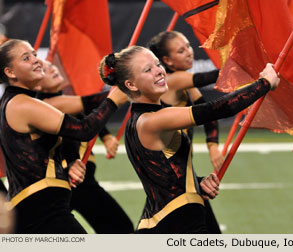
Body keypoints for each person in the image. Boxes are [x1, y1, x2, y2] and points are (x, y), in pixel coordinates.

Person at [98, 46, 280, 233]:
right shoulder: (151, 121)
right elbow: (219, 108)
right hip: (177, 224)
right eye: (148, 69)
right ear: (131, 85)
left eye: (157, 64)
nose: (159, 71)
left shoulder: (142, 119)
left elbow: (163, 176)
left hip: (173, 221)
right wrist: (264, 83)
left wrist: (196, 183)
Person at [0, 39, 127, 233]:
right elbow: (83, 129)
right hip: (40, 210)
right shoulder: (21, 104)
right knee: (121, 228)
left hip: (43, 206)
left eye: (34, 54)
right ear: (10, 72)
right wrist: (113, 100)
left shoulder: (20, 101)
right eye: (26, 58)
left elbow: (57, 140)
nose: (37, 60)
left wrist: (71, 159)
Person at [35, 60, 134, 233]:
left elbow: (87, 114)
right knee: (120, 228)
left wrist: (107, 136)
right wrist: (129, 85)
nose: (51, 69)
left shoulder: (63, 100)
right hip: (73, 182)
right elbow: (92, 106)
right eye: (43, 69)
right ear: (36, 83)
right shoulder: (49, 105)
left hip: (75, 180)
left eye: (51, 65)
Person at [147, 30, 222, 233]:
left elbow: (209, 114)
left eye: (189, 46)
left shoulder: (186, 85)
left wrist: (213, 146)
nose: (189, 52)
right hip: (170, 174)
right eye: (181, 51)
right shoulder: (172, 81)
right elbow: (215, 76)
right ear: (167, 61)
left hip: (182, 171)